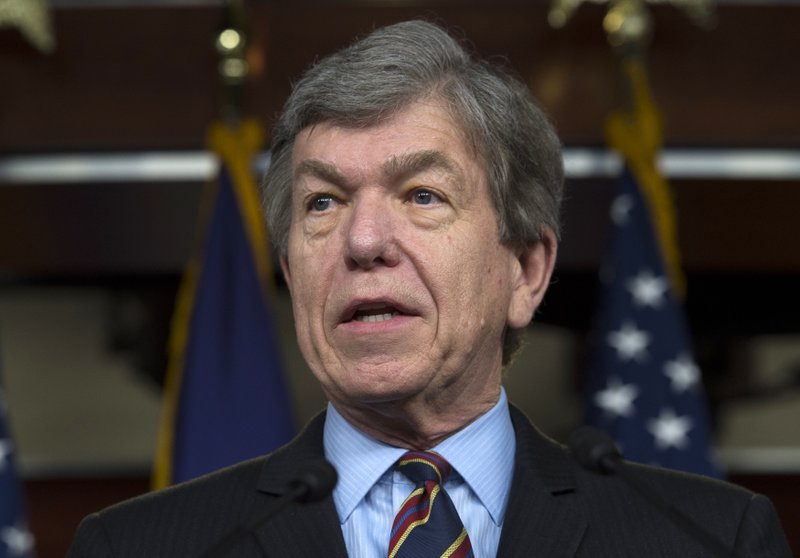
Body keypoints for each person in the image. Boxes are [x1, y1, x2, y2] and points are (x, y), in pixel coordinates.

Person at [68, 20, 791, 558]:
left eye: (421, 195)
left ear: (527, 271)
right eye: (323, 203)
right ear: (291, 273)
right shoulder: (139, 548)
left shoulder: (707, 541)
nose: (362, 241)